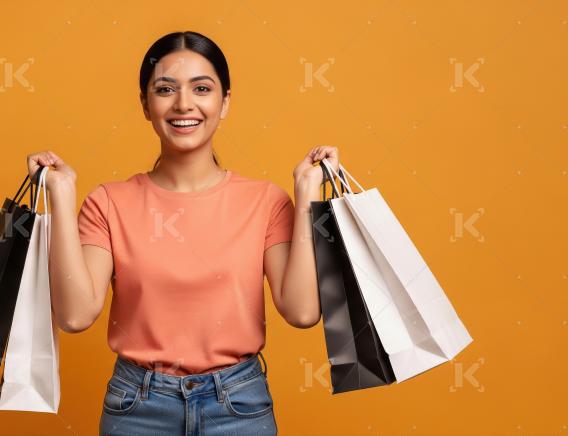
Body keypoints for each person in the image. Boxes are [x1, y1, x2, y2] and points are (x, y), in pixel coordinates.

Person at [26, 30, 339, 436]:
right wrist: (61, 195)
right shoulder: (108, 202)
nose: (183, 104)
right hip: (137, 408)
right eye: (165, 89)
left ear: (225, 102)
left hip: (239, 406)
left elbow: (302, 312)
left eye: (202, 88)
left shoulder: (266, 201)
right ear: (145, 104)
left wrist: (307, 195)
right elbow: (74, 315)